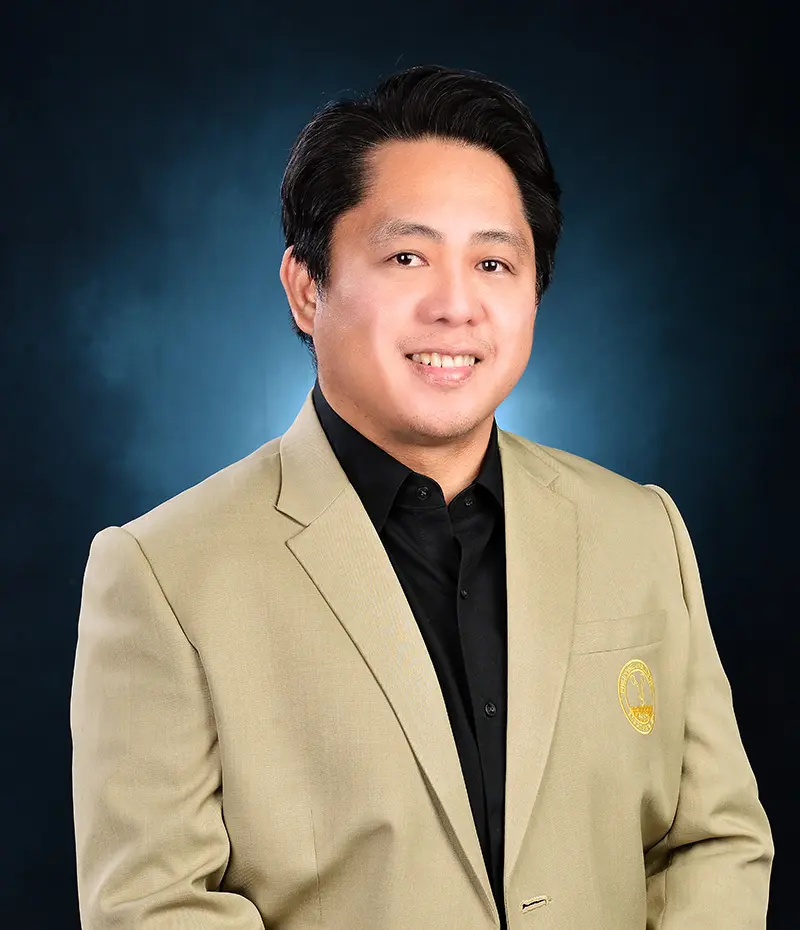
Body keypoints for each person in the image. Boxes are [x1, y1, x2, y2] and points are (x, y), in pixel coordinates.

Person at [70, 64, 773, 929]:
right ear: (307, 288)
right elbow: (154, 907)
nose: (455, 306)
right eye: (407, 256)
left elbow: (713, 838)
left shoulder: (640, 529)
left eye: (493, 262)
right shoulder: (163, 575)